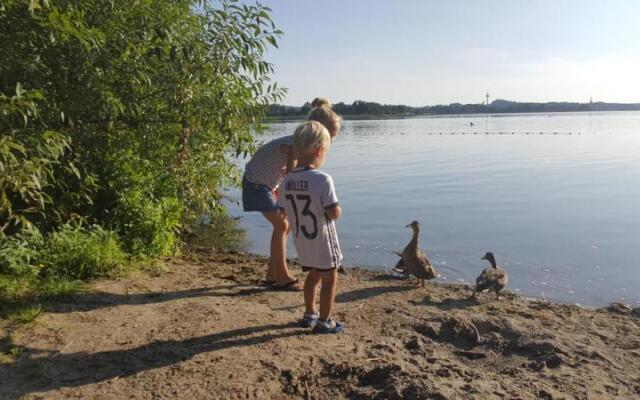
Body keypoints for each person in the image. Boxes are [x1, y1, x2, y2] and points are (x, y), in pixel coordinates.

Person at [242, 98, 342, 290]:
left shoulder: (301, 142)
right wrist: (287, 200)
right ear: (317, 129)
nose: (332, 140)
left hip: (268, 184)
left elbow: (293, 178)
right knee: (282, 225)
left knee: (284, 227)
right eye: (331, 135)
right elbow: (292, 177)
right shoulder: (296, 145)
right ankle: (282, 276)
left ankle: (273, 273)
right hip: (257, 184)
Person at [278, 121, 344, 333]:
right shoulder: (323, 179)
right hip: (323, 240)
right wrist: (337, 211)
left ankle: (309, 314)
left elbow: (283, 209)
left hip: (302, 241)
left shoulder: (287, 180)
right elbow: (332, 213)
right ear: (320, 150)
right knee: (329, 279)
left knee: (313, 276)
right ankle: (325, 321)